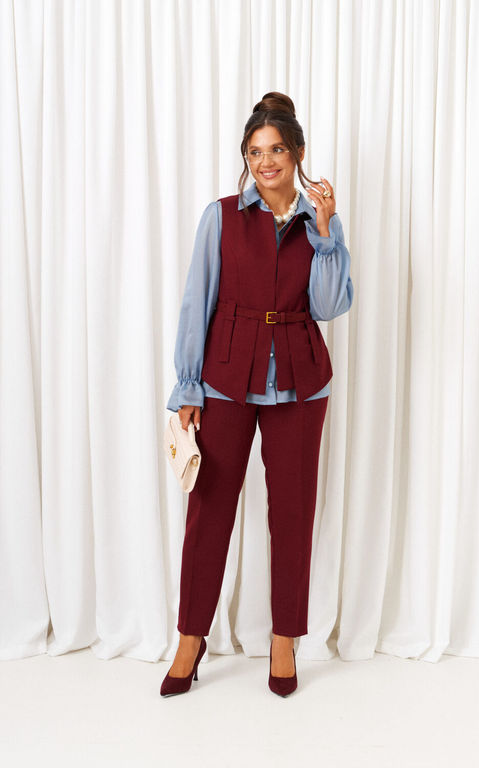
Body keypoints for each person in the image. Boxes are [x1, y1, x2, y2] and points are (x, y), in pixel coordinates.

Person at [160, 91, 353, 698]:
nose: (265, 162)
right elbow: (197, 300)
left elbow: (329, 306)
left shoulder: (320, 221)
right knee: (209, 510)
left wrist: (326, 233)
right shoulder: (220, 217)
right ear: (246, 158)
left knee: (293, 513)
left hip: (301, 383)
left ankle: (284, 639)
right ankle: (190, 638)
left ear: (298, 153)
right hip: (224, 379)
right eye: (254, 152)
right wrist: (188, 385)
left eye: (276, 150)